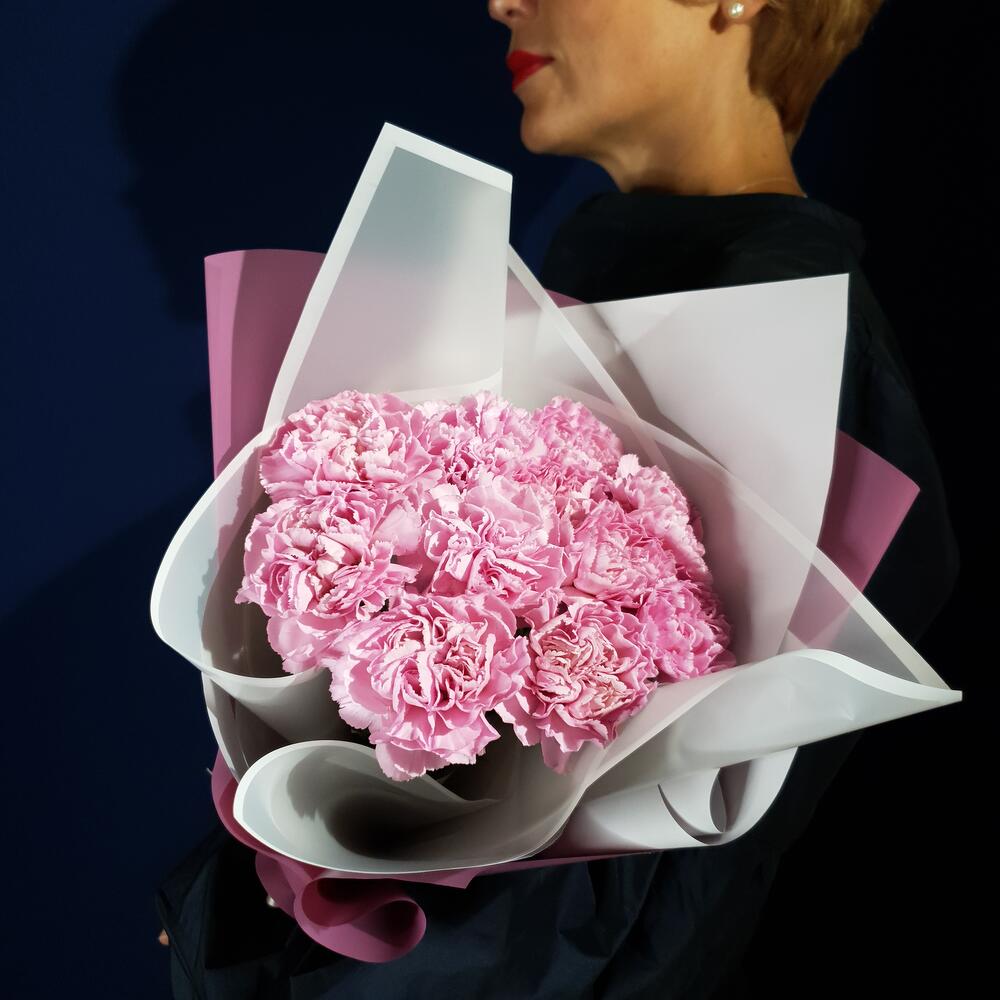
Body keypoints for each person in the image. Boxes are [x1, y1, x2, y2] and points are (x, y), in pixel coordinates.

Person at [156, 2, 958, 997]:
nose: (502, 2)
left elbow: (647, 902)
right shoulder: (613, 269)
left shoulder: (793, 344)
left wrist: (259, 941)